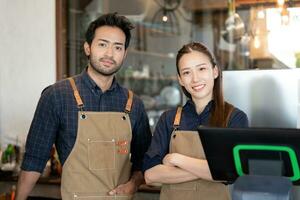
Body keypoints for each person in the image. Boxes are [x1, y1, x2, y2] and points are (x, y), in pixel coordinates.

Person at [16, 13, 152, 200]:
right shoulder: (57, 96)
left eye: (118, 47)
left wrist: (133, 185)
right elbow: (34, 160)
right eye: (102, 44)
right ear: (88, 48)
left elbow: (144, 162)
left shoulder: (134, 104)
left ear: (125, 54)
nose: (109, 54)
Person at [143, 42, 248, 200]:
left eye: (201, 69)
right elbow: (150, 175)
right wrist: (210, 171)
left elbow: (231, 174)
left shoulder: (234, 118)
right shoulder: (169, 119)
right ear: (180, 80)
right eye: (186, 72)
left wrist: (177, 159)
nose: (195, 78)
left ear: (214, 71)